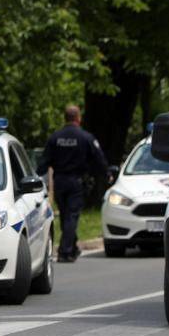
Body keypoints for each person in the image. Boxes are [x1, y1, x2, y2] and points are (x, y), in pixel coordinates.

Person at [40, 104, 109, 263]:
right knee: (71, 216)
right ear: (78, 118)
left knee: (66, 216)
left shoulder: (55, 138)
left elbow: (44, 162)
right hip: (76, 182)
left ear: (65, 118)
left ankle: (73, 247)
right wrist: (107, 174)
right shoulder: (85, 137)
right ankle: (65, 251)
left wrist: (35, 178)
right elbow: (99, 158)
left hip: (59, 182)